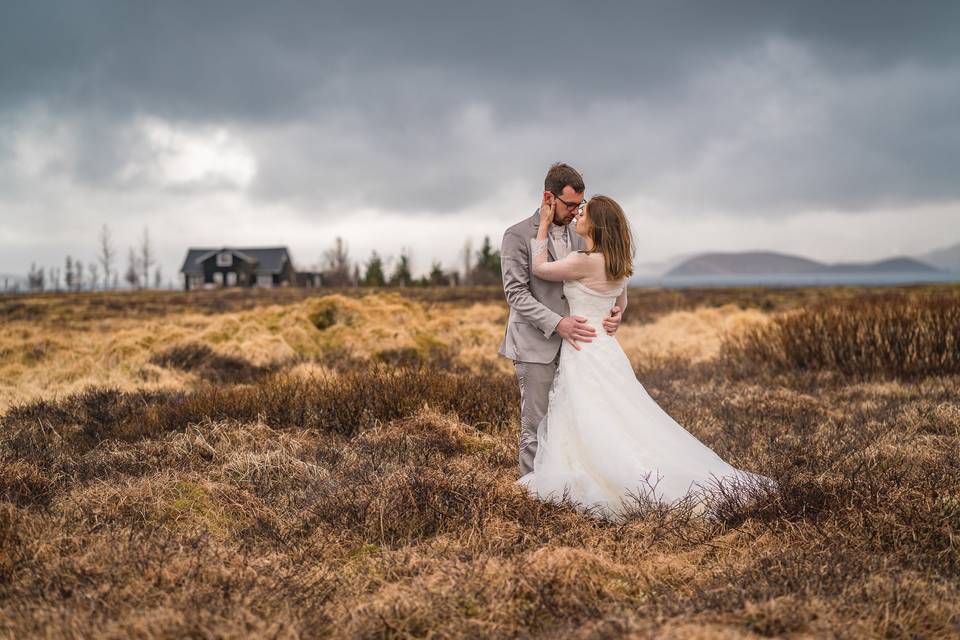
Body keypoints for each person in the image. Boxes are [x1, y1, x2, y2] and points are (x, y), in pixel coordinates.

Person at [515, 193, 777, 522]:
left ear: (597, 225)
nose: (579, 214)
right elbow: (619, 304)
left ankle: (604, 474)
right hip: (605, 348)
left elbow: (539, 268)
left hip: (582, 348)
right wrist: (614, 317)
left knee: (590, 413)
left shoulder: (585, 261)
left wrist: (541, 225)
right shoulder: (616, 264)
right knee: (617, 412)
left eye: (585, 212)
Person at [499, 163, 623, 477]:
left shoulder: (584, 233)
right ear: (548, 197)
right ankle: (532, 493)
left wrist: (615, 311)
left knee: (573, 423)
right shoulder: (516, 235)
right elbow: (516, 293)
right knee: (535, 425)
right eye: (569, 205)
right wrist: (558, 323)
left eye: (579, 205)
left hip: (579, 350)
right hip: (535, 344)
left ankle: (567, 487)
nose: (574, 212)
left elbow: (603, 279)